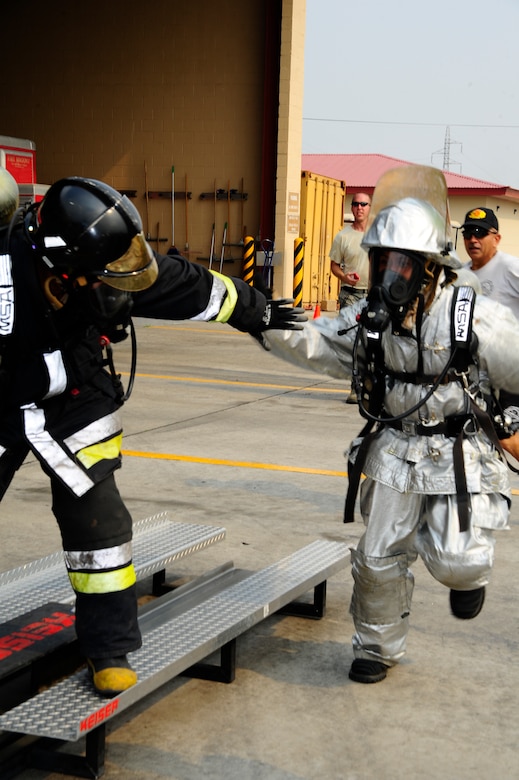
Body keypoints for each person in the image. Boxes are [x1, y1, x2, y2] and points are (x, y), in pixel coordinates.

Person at [0, 171, 305, 697]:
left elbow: (178, 282)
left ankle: (108, 647)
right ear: (62, 265)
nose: (113, 281)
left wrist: (256, 312)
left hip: (76, 396)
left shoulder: (100, 257)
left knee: (99, 523)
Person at [258, 165, 519, 684]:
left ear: (429, 269)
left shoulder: (471, 317)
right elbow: (317, 341)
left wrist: (510, 417)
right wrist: (256, 317)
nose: (389, 277)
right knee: (376, 559)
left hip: (458, 451)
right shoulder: (369, 322)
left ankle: (462, 567)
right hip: (396, 450)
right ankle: (376, 648)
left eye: (402, 265)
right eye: (382, 263)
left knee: (457, 562)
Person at [462, 207, 519, 459]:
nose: (473, 239)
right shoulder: (460, 275)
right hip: (472, 373)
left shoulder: (509, 268)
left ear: (496, 238)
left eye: (481, 233)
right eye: (468, 233)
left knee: (506, 436)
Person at [329, 193, 371, 403]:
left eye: (363, 204)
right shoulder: (343, 236)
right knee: (352, 343)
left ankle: (373, 386)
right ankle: (355, 388)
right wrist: (344, 276)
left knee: (373, 343)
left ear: (370, 207)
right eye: (355, 204)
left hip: (374, 296)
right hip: (351, 296)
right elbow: (334, 266)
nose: (359, 208)